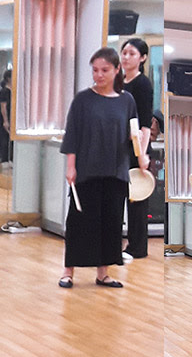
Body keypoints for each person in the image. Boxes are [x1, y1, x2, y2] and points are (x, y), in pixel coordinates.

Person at [59, 47, 148, 288]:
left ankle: (103, 273)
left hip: (115, 172)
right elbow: (72, 135)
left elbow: (133, 133)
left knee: (111, 223)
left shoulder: (127, 101)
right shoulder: (82, 100)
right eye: (95, 70)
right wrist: (71, 167)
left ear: (116, 70)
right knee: (78, 222)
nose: (99, 75)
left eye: (104, 70)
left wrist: (141, 153)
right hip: (86, 171)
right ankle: (68, 271)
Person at [119, 39, 154, 261]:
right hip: (119, 147)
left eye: (131, 53)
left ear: (142, 58)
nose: (126, 57)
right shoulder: (118, 81)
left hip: (136, 146)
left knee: (137, 198)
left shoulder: (143, 84)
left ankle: (137, 247)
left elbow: (145, 122)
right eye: (124, 52)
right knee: (118, 195)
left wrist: (142, 153)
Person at [0, 69, 13, 163]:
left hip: (12, 117)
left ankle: (11, 159)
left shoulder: (13, 91)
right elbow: (3, 107)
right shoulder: (4, 91)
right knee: (5, 140)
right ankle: (5, 160)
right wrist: (5, 120)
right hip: (5, 118)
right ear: (8, 78)